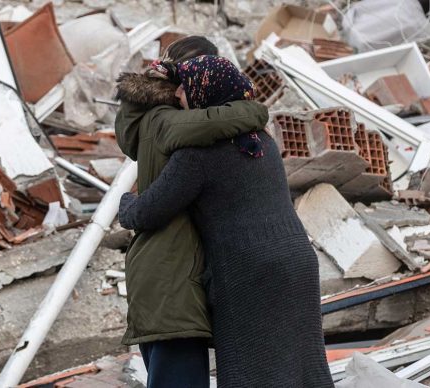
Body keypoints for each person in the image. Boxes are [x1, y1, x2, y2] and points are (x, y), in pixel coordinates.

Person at [118, 55, 336, 387]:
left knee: (251, 373)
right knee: (303, 369)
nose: (178, 97)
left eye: (183, 91)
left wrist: (125, 203)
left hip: (248, 272)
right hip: (299, 263)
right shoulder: (263, 142)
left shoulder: (197, 155)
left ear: (203, 93)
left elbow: (148, 212)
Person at [115, 37, 269, 387]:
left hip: (161, 273)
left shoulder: (149, 118)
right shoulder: (168, 121)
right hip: (173, 278)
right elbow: (215, 123)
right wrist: (253, 110)